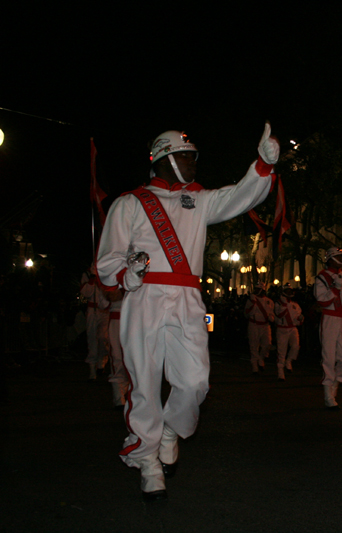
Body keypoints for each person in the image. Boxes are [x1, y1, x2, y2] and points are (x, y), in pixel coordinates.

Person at [97, 124, 278, 500]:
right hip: (143, 297)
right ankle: (147, 461)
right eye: (184, 156)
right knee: (144, 382)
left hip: (187, 297)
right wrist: (126, 276)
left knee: (196, 381)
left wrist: (262, 165)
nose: (192, 163)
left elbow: (240, 196)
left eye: (193, 157)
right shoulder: (129, 203)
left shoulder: (199, 200)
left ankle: (168, 431)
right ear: (163, 159)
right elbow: (107, 260)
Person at [315, 247, 342, 408]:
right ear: (330, 258)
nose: (341, 259)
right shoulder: (322, 277)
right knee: (329, 356)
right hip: (330, 318)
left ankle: (336, 381)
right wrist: (335, 288)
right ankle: (328, 394)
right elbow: (322, 301)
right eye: (338, 256)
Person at [80, 264, 110, 380]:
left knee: (104, 338)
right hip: (92, 310)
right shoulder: (87, 274)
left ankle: (102, 360)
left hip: (105, 311)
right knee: (92, 338)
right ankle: (93, 368)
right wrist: (92, 277)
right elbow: (86, 293)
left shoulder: (107, 271)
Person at [274, 283, 304, 380]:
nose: (289, 293)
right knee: (281, 351)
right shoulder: (278, 303)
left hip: (292, 328)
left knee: (295, 347)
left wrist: (300, 318)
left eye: (290, 291)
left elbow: (298, 320)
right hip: (282, 329)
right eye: (287, 291)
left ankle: (289, 360)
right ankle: (280, 372)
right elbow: (279, 314)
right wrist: (284, 304)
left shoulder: (295, 305)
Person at [106, 289, 129, 408]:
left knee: (133, 359)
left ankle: (127, 392)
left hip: (133, 319)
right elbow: (103, 302)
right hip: (116, 318)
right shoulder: (112, 276)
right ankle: (119, 396)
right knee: (117, 356)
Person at [244, 283, 274, 373]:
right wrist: (253, 303)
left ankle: (261, 358)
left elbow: (271, 313)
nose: (256, 291)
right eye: (255, 289)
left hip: (265, 325)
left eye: (258, 289)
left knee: (267, 344)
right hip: (254, 324)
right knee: (254, 345)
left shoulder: (269, 301)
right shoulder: (251, 300)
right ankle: (254, 366)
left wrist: (271, 318)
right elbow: (246, 313)